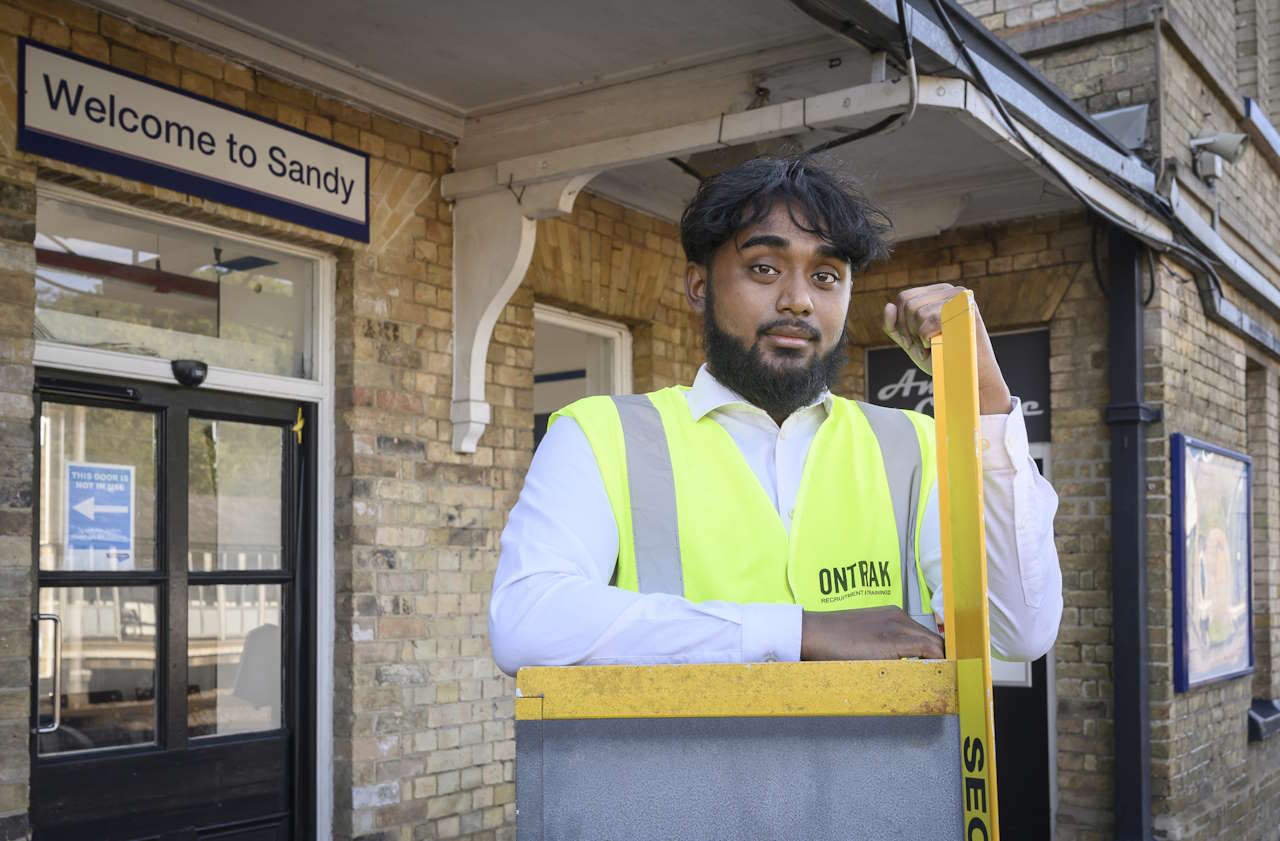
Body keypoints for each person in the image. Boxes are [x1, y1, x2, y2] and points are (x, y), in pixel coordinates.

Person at [489, 156, 1062, 674]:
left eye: (826, 276)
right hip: (681, 792)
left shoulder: (915, 446)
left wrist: (986, 398)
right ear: (698, 285)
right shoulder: (597, 435)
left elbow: (1019, 629)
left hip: (876, 793)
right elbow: (526, 622)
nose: (799, 299)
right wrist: (802, 632)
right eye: (764, 268)